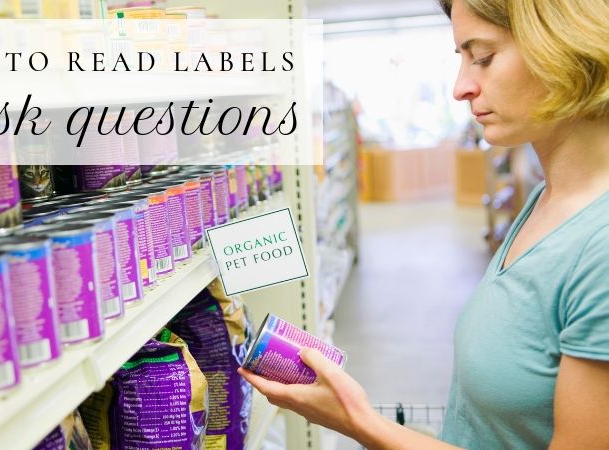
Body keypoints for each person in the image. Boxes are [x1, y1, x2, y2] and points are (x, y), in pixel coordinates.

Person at [239, 0, 609, 448]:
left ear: (562, 47)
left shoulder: (599, 248)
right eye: (462, 59)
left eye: (483, 57)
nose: (461, 87)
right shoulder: (544, 202)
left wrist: (359, 422)